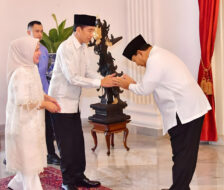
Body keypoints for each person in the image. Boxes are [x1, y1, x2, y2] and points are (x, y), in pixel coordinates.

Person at [115, 34, 211, 190]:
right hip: (189, 109)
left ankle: (179, 188)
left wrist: (127, 85)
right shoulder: (159, 54)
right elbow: (152, 84)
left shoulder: (155, 60)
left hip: (185, 112)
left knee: (183, 154)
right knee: (183, 154)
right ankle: (180, 187)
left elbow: (144, 89)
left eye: (135, 61)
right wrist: (133, 84)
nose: (138, 65)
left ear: (140, 53)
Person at [48, 14, 116, 190]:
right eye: (90, 30)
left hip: (73, 103)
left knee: (77, 143)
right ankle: (67, 182)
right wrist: (100, 83)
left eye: (93, 30)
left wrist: (103, 78)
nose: (92, 34)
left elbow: (87, 72)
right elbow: (72, 78)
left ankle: (79, 177)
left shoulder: (83, 47)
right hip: (60, 104)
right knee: (67, 146)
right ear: (78, 29)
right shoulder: (66, 48)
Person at [5, 36, 61, 190]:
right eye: (36, 50)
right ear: (24, 52)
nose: (40, 53)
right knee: (30, 166)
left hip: (32, 124)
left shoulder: (31, 68)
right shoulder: (20, 73)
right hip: (23, 127)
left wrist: (47, 97)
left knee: (28, 162)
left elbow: (35, 92)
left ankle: (15, 185)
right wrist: (46, 105)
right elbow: (24, 100)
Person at [27, 20, 61, 165]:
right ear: (29, 32)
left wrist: (49, 93)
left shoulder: (45, 50)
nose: (40, 34)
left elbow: (45, 73)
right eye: (37, 31)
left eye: (41, 31)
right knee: (29, 126)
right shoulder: (24, 50)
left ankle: (51, 154)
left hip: (44, 92)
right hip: (29, 95)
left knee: (48, 125)